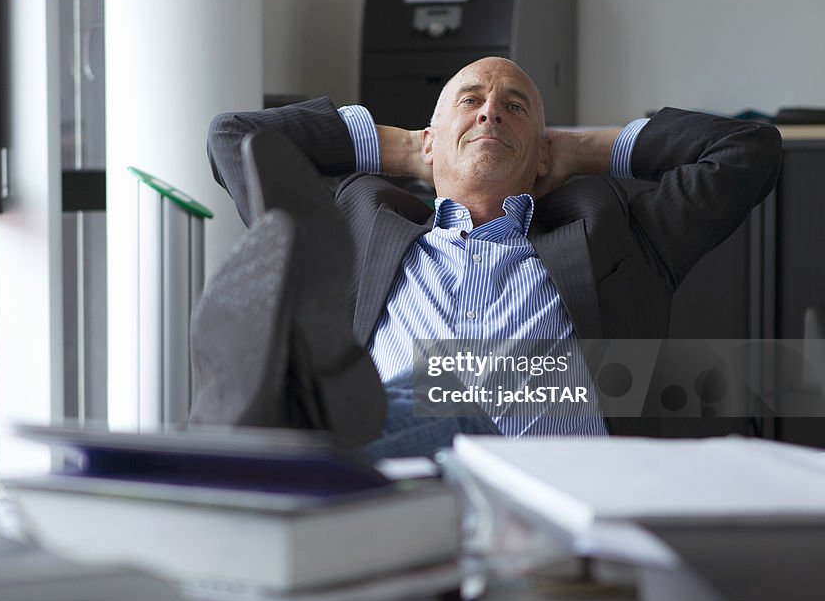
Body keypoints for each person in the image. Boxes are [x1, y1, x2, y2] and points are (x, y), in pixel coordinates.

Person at [206, 57, 781, 455]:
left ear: (541, 154)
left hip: (559, 517)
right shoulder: (359, 229)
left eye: (515, 107)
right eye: (471, 101)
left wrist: (585, 149)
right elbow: (234, 138)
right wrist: (407, 147)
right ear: (430, 141)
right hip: (407, 503)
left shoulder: (619, 238)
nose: (490, 112)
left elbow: (747, 151)